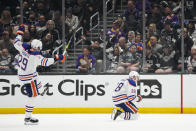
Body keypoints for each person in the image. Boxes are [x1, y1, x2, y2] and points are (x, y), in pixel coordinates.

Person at [13, 25, 66, 125]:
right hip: (29, 77)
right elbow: (45, 62)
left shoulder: (23, 47)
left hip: (21, 73)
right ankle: (28, 118)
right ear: (37, 47)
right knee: (33, 96)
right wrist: (57, 57)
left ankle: (40, 88)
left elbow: (16, 41)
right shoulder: (35, 55)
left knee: (36, 74)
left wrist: (20, 33)